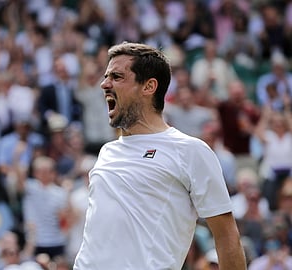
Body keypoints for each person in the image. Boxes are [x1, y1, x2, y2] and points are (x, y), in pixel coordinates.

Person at [73, 42, 246, 269]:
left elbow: (227, 237)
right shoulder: (107, 151)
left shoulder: (190, 151)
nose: (105, 84)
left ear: (149, 86)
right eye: (107, 76)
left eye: (117, 77)